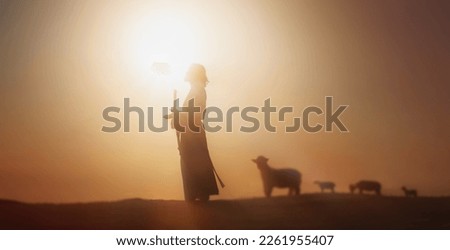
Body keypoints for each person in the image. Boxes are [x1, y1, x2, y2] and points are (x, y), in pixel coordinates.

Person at [169, 64, 219, 201]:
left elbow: (196, 112)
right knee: (191, 161)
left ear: (194, 74)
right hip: (191, 132)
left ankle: (198, 194)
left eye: (188, 71)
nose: (186, 72)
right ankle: (197, 195)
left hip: (193, 133)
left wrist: (177, 115)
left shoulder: (197, 90)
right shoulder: (196, 89)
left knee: (194, 162)